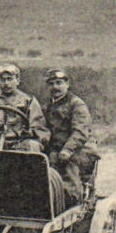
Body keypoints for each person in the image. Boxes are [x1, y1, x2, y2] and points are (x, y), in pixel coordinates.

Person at [42, 68, 99, 205]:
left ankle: (72, 204)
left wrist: (67, 150)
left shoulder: (76, 104)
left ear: (67, 84)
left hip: (80, 150)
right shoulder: (47, 106)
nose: (55, 87)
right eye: (51, 84)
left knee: (67, 172)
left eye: (59, 83)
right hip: (56, 150)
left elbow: (80, 132)